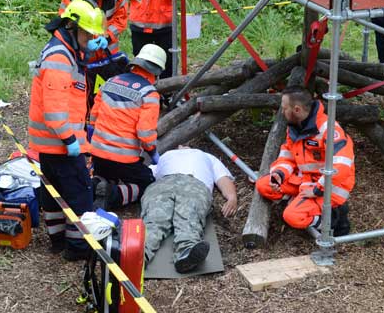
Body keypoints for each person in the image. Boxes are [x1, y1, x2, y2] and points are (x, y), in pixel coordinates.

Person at [28, 0, 107, 261]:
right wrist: (70, 138)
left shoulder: (64, 51)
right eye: (88, 34)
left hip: (50, 144)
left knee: (53, 195)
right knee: (80, 195)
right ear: (73, 28)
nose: (90, 40)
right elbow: (54, 108)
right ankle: (77, 248)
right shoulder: (60, 57)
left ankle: (57, 241)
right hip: (61, 144)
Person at [256, 86, 355, 235]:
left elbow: (341, 166)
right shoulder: (295, 127)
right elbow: (287, 155)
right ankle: (299, 201)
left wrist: (317, 190)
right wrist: (279, 174)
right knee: (263, 185)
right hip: (305, 179)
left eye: (284, 108)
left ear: (296, 110)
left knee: (292, 217)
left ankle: (335, 221)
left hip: (329, 187)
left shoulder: (328, 130)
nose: (282, 112)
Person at [89, 43, 167, 209]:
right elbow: (145, 134)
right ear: (157, 73)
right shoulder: (149, 94)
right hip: (124, 159)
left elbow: (93, 118)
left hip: (98, 155)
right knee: (147, 183)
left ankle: (95, 184)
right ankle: (113, 195)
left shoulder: (110, 82)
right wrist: (153, 154)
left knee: (107, 176)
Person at [141, 146, 237, 273]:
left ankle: (187, 253)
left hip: (194, 183)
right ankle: (139, 254)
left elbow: (222, 178)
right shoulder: (165, 156)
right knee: (154, 218)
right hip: (162, 184)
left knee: (188, 216)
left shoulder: (206, 156)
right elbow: (144, 176)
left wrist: (232, 197)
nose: (182, 145)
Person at [59, 0, 129, 109]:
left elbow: (121, 19)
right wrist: (83, 43)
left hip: (108, 52)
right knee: (81, 89)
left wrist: (107, 36)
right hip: (83, 53)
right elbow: (64, 26)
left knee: (109, 91)